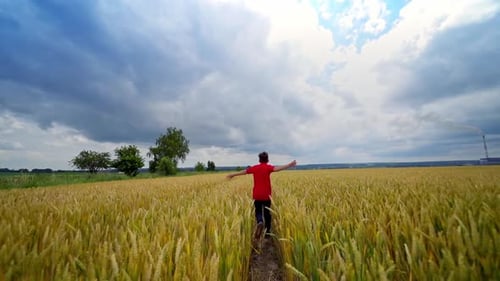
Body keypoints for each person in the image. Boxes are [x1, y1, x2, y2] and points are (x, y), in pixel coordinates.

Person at [227, 152, 297, 241]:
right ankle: (267, 232)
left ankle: (260, 221)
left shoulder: (255, 168)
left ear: (259, 160)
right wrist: (289, 165)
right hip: (266, 195)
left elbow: (244, 172)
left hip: (257, 195)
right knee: (267, 213)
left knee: (258, 211)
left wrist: (232, 175)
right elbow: (278, 169)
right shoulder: (268, 167)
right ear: (267, 159)